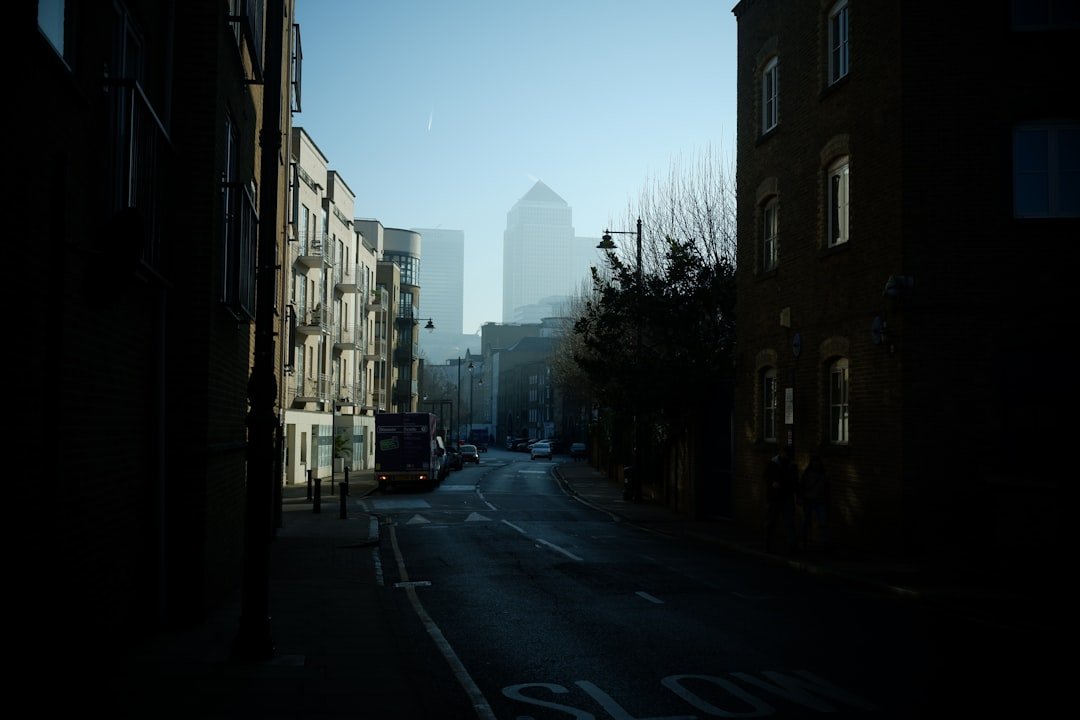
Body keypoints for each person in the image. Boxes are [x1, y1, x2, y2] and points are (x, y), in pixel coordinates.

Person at [763, 446, 798, 553]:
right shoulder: (773, 463)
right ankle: (768, 544)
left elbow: (795, 480)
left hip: (786, 496)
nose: (787, 456)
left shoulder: (791, 465)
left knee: (789, 522)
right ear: (781, 453)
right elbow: (766, 476)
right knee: (772, 521)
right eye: (786, 454)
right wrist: (772, 482)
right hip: (775, 497)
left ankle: (791, 546)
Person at [799, 451, 829, 548]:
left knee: (818, 522)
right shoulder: (812, 474)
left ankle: (816, 541)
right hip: (811, 500)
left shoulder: (818, 474)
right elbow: (802, 487)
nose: (816, 464)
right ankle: (808, 540)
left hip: (816, 501)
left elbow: (827, 489)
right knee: (811, 522)